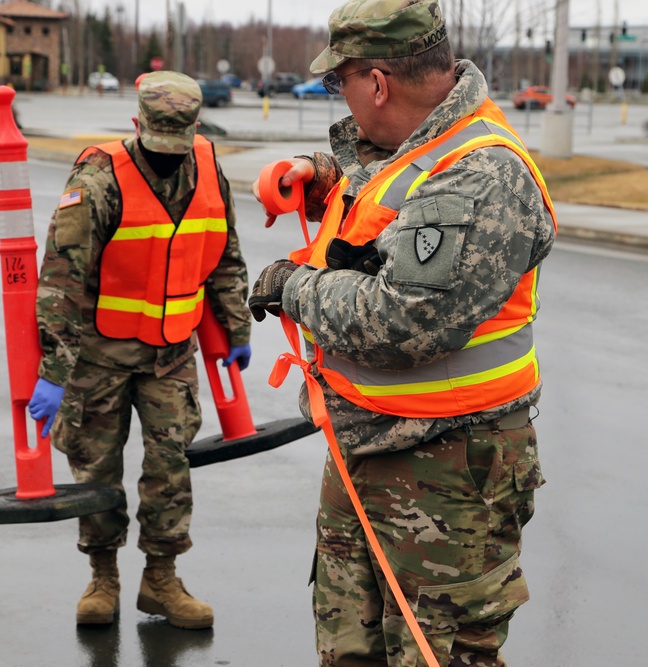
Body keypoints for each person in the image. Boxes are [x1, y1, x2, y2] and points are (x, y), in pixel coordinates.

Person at [247, 1, 556, 664]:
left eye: (342, 82)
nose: (344, 97)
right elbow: (393, 200)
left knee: (435, 651)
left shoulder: (481, 174)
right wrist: (319, 176)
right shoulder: (423, 141)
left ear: (379, 83)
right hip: (370, 445)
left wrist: (289, 285)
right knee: (350, 644)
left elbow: (403, 317)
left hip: (445, 470)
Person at [28, 71, 251, 629]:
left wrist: (236, 327)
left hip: (172, 352)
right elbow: (61, 277)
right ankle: (103, 576)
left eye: (180, 146)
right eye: (160, 147)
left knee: (170, 465)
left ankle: (161, 580)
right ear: (136, 126)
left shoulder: (208, 167)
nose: (171, 158)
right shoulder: (99, 176)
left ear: (196, 129)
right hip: (100, 354)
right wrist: (54, 369)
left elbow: (224, 254)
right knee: (97, 465)